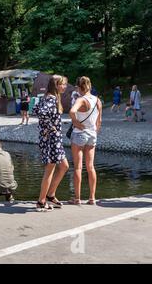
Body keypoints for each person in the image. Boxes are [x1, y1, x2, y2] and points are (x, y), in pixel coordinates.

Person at [32, 75, 69, 212]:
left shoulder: (47, 97)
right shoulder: (51, 98)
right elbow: (41, 113)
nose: (64, 86)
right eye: (62, 84)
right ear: (56, 85)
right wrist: (50, 127)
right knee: (50, 169)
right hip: (51, 139)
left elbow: (35, 109)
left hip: (53, 138)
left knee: (64, 166)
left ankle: (50, 194)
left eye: (65, 84)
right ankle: (41, 201)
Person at [69, 76, 102, 205]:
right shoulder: (97, 100)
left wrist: (76, 122)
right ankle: (92, 198)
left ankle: (77, 198)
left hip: (79, 135)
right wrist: (94, 131)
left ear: (78, 87)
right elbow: (99, 121)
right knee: (90, 167)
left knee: (78, 168)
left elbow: (72, 111)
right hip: (92, 135)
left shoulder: (81, 100)